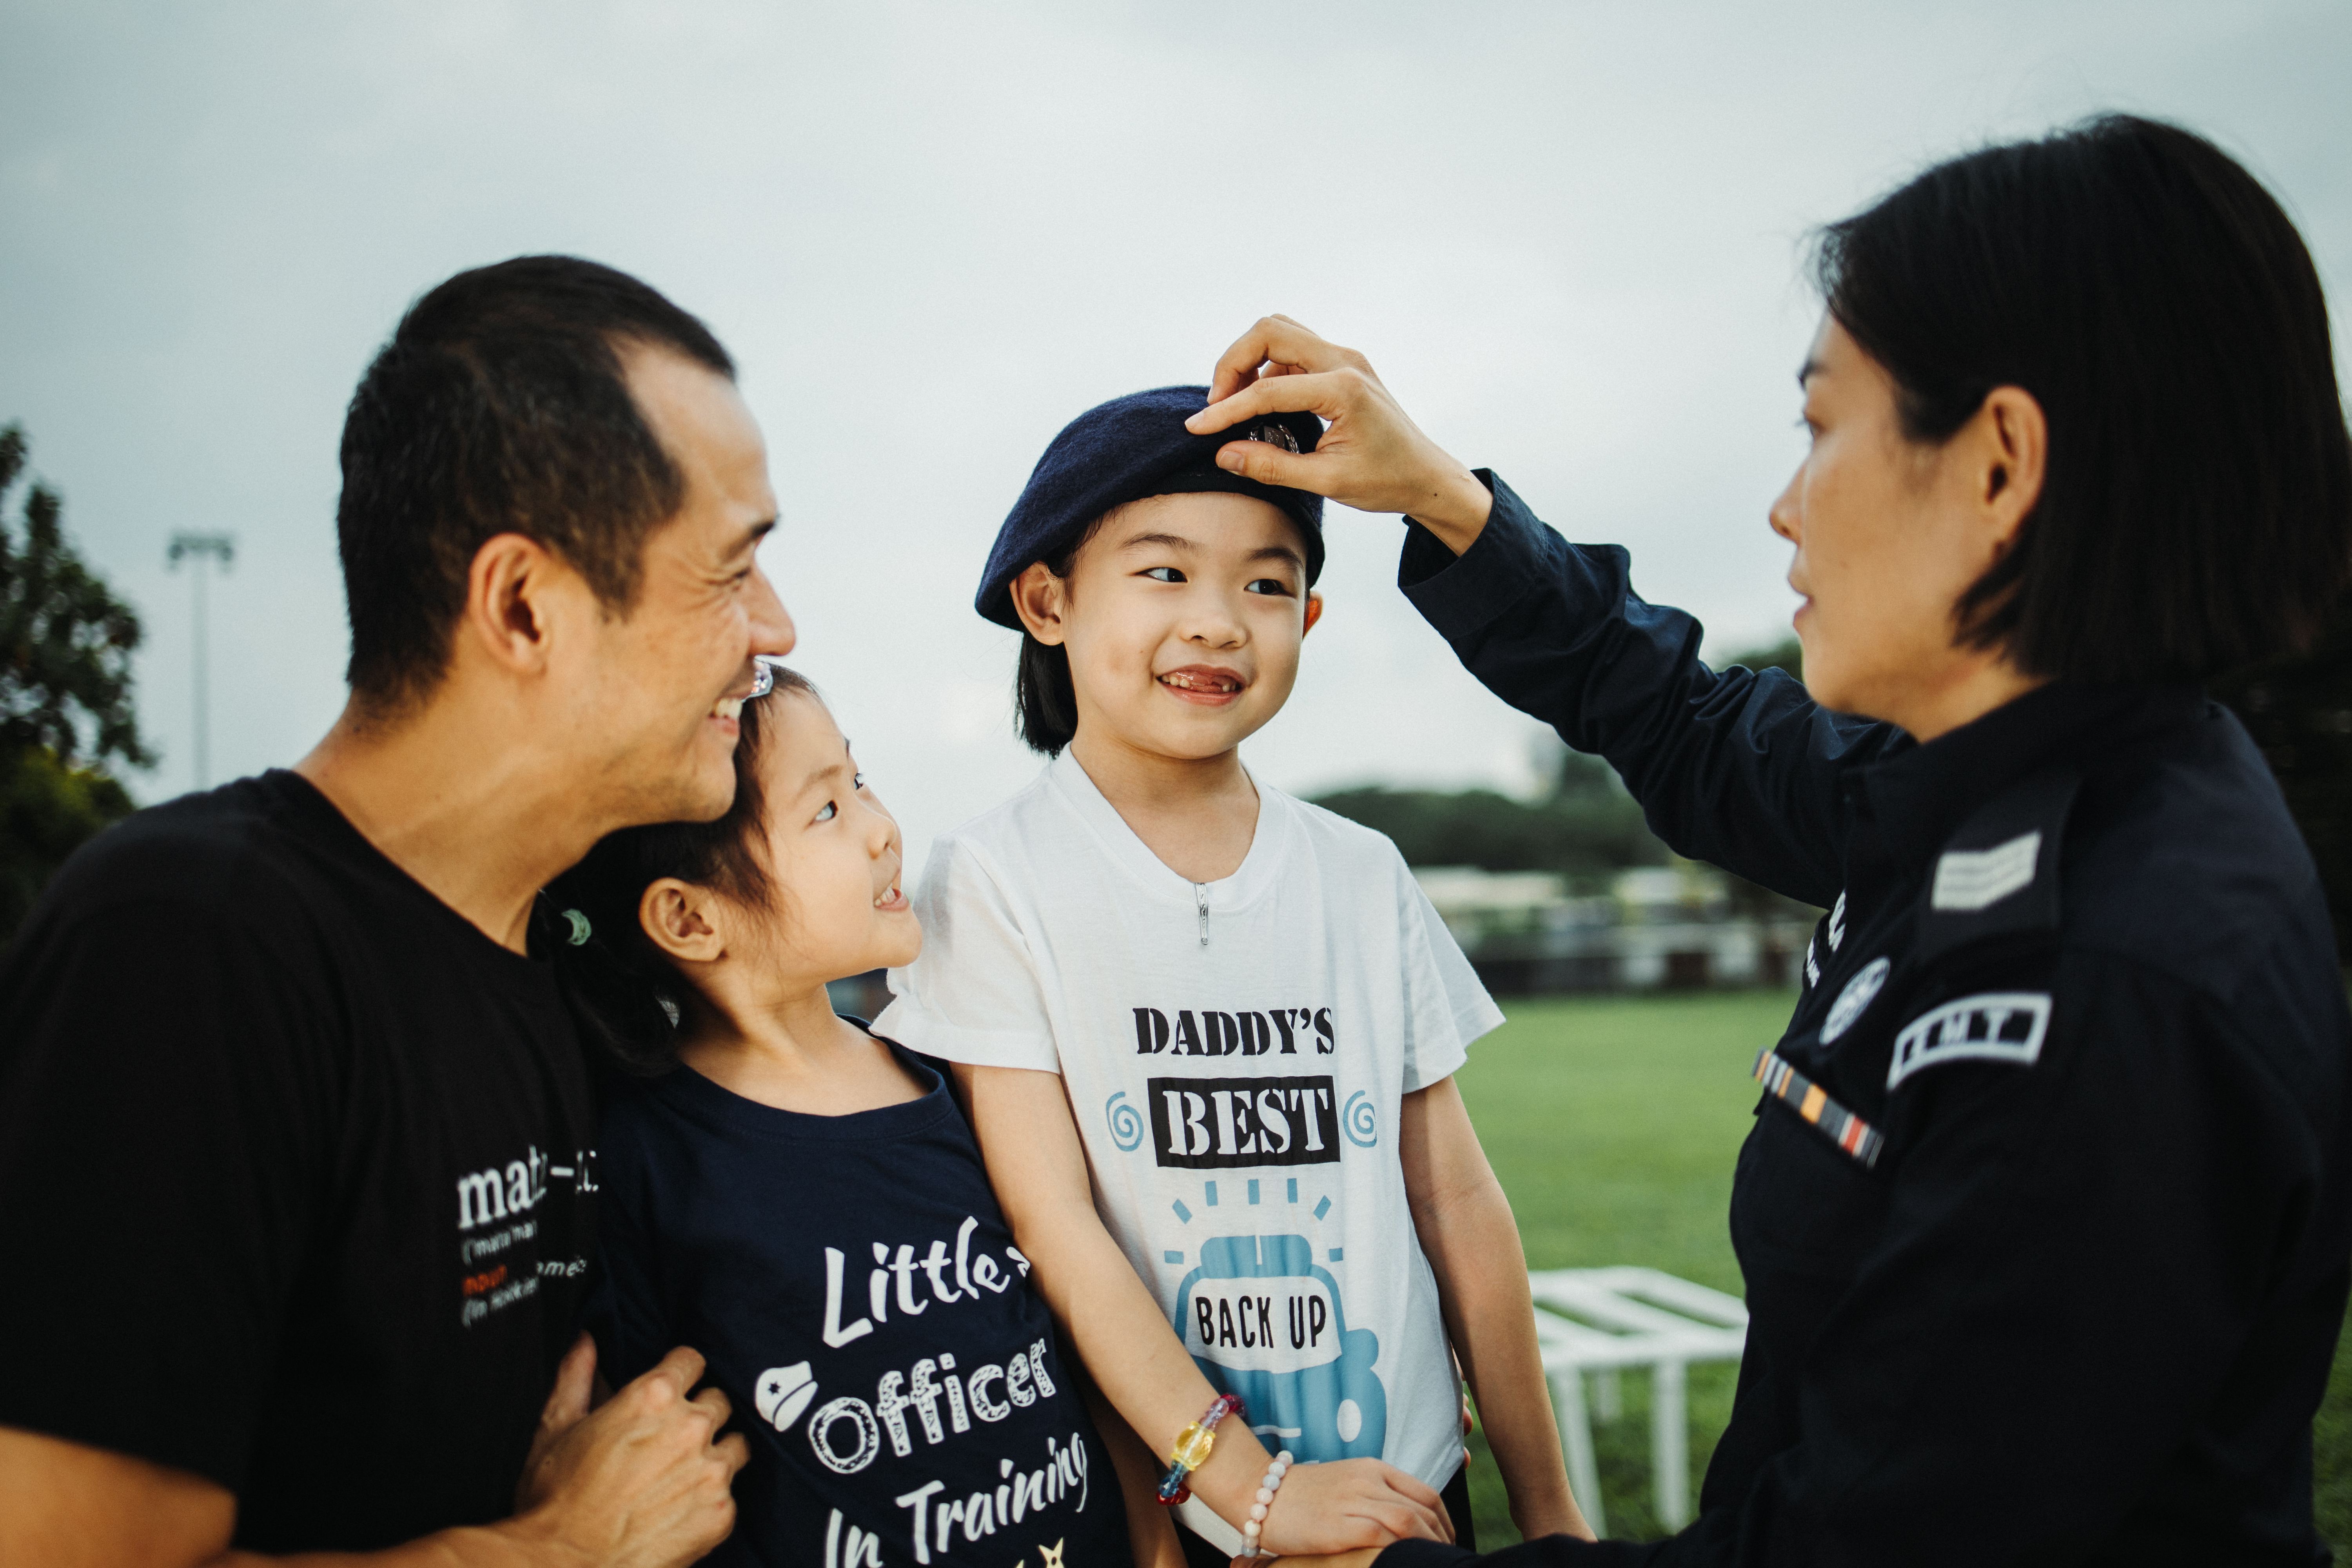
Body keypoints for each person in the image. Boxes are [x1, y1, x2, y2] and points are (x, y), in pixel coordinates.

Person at [1181, 113, 2352, 1565]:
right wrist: (1438, 495)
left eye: (1819, 428)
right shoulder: (2000, 791)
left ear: (1998, 463)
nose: (1784, 509)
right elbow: (1685, 725)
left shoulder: (2103, 984)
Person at [0, 256, 795, 1564]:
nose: (776, 626)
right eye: (730, 570)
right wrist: (551, 1555)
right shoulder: (190, 947)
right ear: (526, 607)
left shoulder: (552, 960)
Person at [875, 386, 1590, 1566]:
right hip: (1174, 1512)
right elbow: (1052, 1228)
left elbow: (1456, 1203)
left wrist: (1551, 1506)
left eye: (1265, 584)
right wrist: (1248, 1495)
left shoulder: (1361, 874)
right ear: (1047, 602)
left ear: (1308, 616)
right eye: (1164, 573)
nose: (1218, 623)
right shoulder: (994, 880)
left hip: (1401, 1496)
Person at [544, 667, 1138, 1568]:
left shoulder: (949, 1072)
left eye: (857, 780)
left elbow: (1072, 1339)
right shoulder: (644, 1161)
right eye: (825, 811)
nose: (882, 828)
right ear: (690, 918)